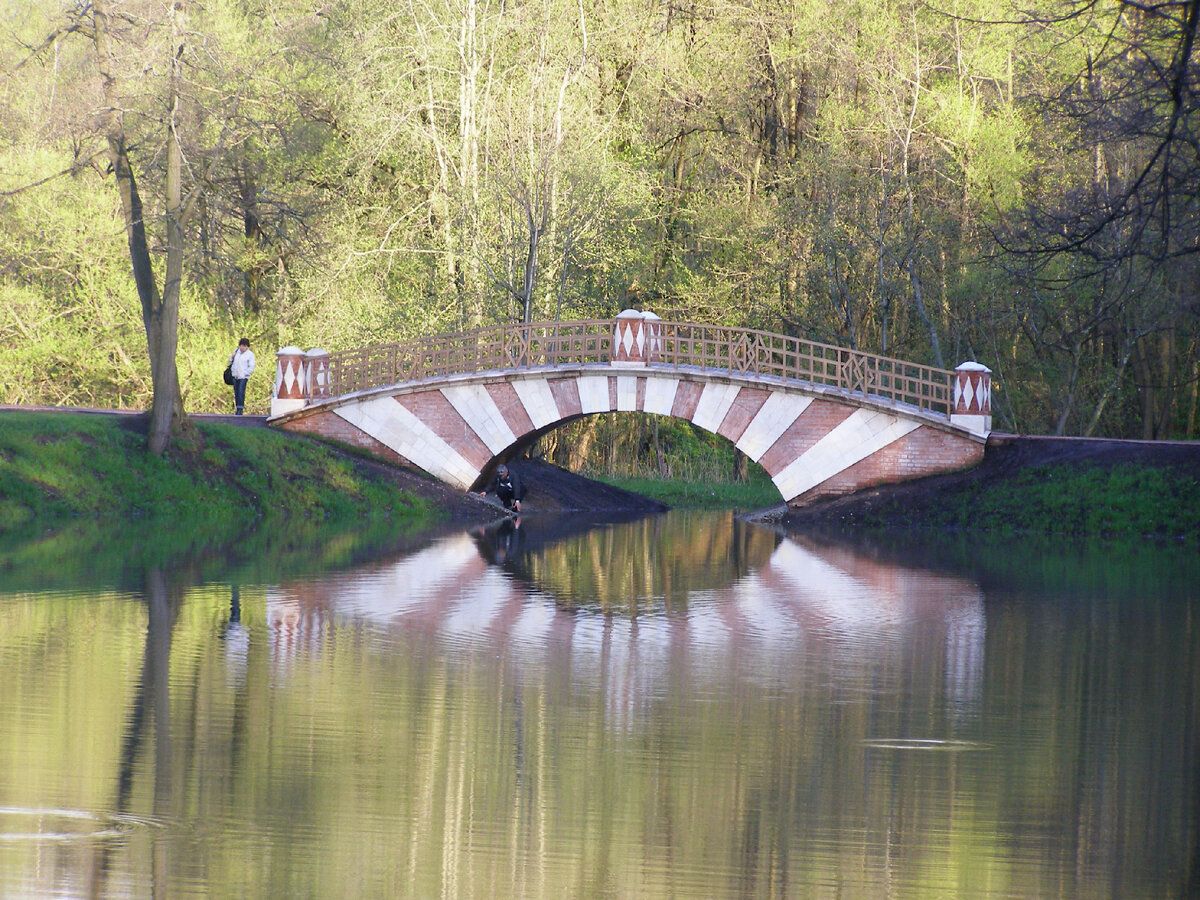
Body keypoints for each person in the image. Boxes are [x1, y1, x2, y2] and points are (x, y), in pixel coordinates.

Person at [228, 338, 256, 415]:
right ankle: (237, 408)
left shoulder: (250, 355)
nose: (243, 347)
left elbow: (251, 366)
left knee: (241, 391)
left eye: (245, 346)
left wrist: (245, 373)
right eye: (242, 346)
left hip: (243, 377)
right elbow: (230, 361)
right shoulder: (236, 352)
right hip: (235, 375)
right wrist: (232, 356)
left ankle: (240, 408)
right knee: (236, 392)